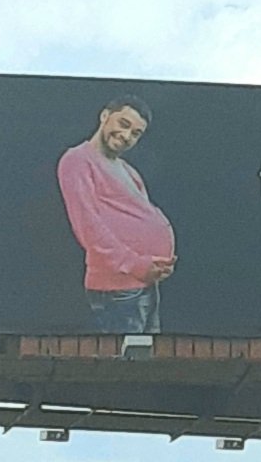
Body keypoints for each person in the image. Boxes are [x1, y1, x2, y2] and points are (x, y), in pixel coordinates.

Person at [56, 95, 176, 333]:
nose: (127, 135)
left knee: (147, 355)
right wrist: (135, 264)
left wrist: (158, 265)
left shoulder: (128, 171)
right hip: (116, 291)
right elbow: (88, 226)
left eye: (136, 133)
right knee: (124, 356)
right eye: (123, 124)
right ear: (104, 116)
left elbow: (143, 215)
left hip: (144, 284)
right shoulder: (78, 160)